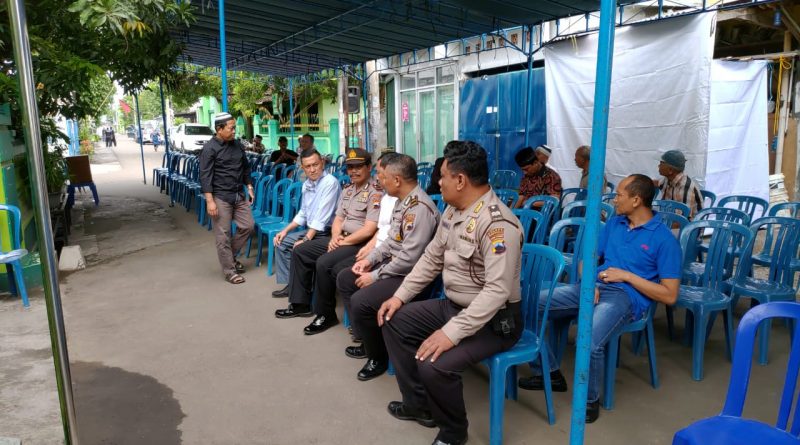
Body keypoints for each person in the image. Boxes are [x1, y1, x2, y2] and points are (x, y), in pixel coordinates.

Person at [377, 140, 524, 445]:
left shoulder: (498, 225)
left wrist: (450, 333)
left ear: (460, 180)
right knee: (393, 319)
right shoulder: (453, 210)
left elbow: (496, 292)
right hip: (454, 306)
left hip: (495, 321)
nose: (438, 182)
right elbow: (431, 258)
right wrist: (399, 296)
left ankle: (453, 433)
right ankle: (419, 405)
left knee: (434, 364)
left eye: (442, 176)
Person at [518, 174, 681, 423]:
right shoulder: (615, 224)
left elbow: (670, 295)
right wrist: (588, 283)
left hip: (625, 296)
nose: (614, 199)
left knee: (590, 339)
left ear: (636, 200)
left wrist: (626, 276)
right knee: (526, 306)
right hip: (593, 287)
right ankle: (549, 373)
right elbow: (587, 260)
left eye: (620, 195)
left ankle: (589, 399)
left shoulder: (664, 239)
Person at [338, 153, 440, 381]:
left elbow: (410, 259)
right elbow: (391, 242)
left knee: (361, 300)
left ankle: (378, 357)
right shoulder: (402, 202)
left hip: (412, 276)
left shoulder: (420, 208)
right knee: (346, 278)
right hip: (395, 266)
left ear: (397, 180)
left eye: (382, 177)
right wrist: (369, 260)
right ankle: (369, 340)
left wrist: (375, 276)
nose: (379, 181)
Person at [275, 147, 381, 334]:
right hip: (340, 238)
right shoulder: (348, 189)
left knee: (324, 263)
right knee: (300, 250)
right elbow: (338, 218)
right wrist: (336, 236)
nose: (354, 171)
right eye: (350, 167)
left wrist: (341, 241)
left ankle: (325, 314)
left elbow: (369, 230)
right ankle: (300, 304)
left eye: (358, 167)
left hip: (359, 243)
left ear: (368, 167)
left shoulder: (375, 193)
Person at [271, 149, 340, 296]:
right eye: (308, 166)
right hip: (313, 231)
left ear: (322, 163)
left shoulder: (330, 183)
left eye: (315, 164)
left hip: (328, 233)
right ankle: (292, 284)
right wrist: (285, 231)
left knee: (300, 248)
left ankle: (303, 289)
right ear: (302, 168)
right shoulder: (307, 184)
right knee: (281, 242)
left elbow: (321, 218)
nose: (312, 169)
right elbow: (303, 213)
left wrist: (305, 239)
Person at [199, 112, 255, 284]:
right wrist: (210, 201)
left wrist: (249, 186)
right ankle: (229, 270)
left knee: (248, 226)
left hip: (238, 194)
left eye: (234, 128)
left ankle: (229, 257)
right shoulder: (209, 149)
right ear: (219, 129)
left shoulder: (237, 145)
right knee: (223, 235)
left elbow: (245, 167)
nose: (234, 131)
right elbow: (205, 176)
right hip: (221, 197)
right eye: (231, 128)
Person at [655, 150, 703, 219]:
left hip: (687, 224)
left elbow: (681, 219)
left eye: (661, 163)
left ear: (670, 170)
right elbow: (657, 183)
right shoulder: (668, 179)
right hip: (671, 219)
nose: (658, 166)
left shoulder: (684, 188)